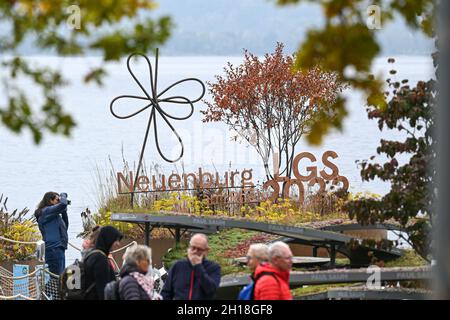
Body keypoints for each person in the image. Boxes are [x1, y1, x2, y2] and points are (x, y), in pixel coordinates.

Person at [161, 233, 221, 300]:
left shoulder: (214, 267)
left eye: (199, 249)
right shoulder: (178, 266)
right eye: (193, 248)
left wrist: (198, 266)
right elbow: (166, 293)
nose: (195, 251)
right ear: (188, 248)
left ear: (206, 251)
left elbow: (211, 290)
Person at [34, 192, 69, 275]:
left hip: (59, 248)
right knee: (55, 277)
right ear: (50, 200)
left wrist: (64, 212)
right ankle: (49, 288)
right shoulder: (46, 212)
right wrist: (63, 195)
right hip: (53, 249)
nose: (59, 202)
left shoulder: (54, 215)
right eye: (57, 200)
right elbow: (63, 204)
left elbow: (65, 227)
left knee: (60, 277)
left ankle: (55, 288)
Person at [84, 225, 123, 300]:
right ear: (108, 239)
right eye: (116, 240)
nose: (118, 244)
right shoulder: (100, 259)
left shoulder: (92, 255)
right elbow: (103, 291)